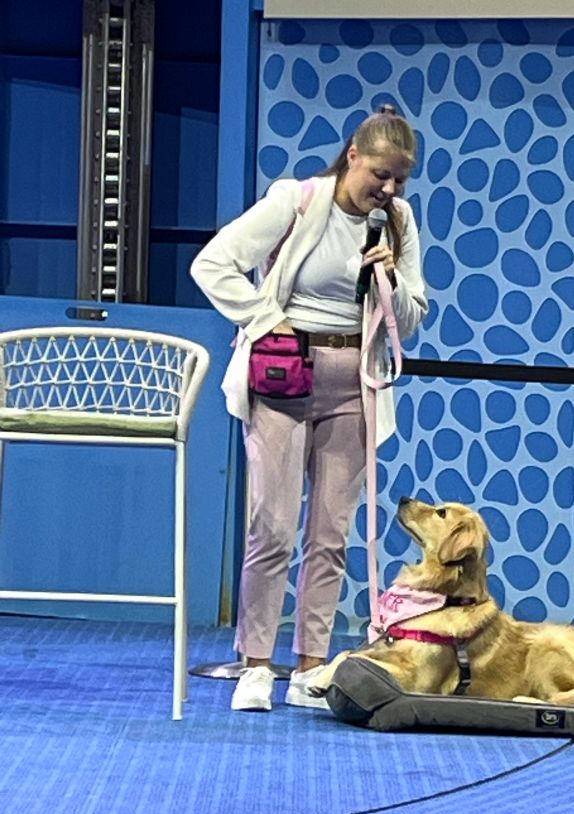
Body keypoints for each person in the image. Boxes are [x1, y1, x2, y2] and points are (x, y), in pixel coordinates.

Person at [191, 105, 428, 711]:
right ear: (353, 155)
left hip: (356, 382)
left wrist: (392, 281)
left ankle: (311, 667)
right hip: (285, 375)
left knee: (330, 532)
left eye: (400, 179)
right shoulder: (297, 201)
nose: (389, 188)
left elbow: (411, 318)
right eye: (380, 174)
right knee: (271, 525)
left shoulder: (398, 222)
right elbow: (211, 263)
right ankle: (255, 664)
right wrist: (269, 320)